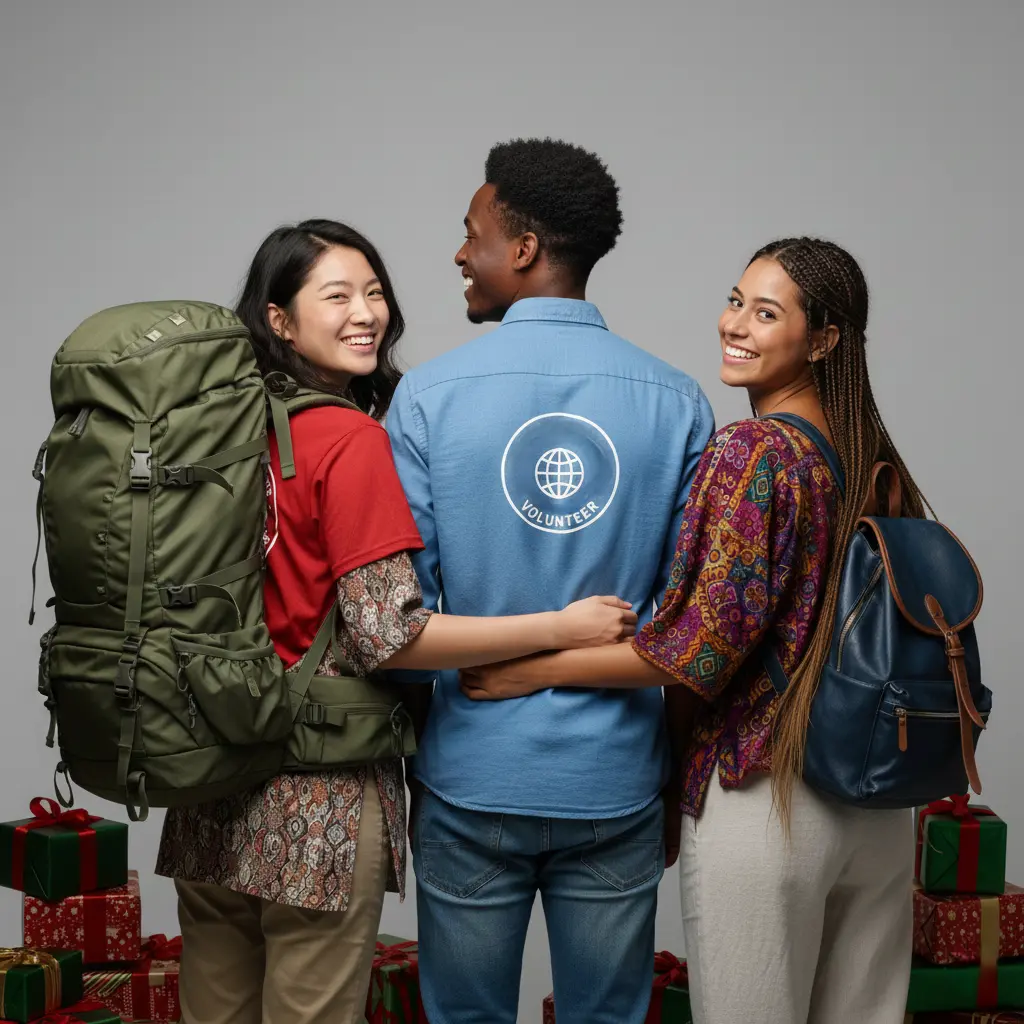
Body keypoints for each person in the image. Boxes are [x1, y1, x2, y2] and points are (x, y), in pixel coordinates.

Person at [154, 218, 636, 1024]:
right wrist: (561, 626)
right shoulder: (346, 438)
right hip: (319, 801)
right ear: (277, 319)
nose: (366, 312)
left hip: (209, 784)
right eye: (336, 295)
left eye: (373, 291)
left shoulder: (216, 432)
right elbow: (393, 636)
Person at [462, 236, 926, 1024]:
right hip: (879, 803)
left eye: (766, 312)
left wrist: (534, 669)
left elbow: (695, 651)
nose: (734, 324)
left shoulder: (752, 452)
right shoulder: (867, 455)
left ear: (823, 340)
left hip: (770, 794)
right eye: (736, 300)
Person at [385, 139, 714, 1024]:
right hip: (616, 780)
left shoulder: (424, 398)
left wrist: (430, 752)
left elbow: (399, 634)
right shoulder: (678, 401)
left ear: (522, 248)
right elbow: (691, 626)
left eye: (473, 233)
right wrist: (669, 771)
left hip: (471, 775)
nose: (460, 253)